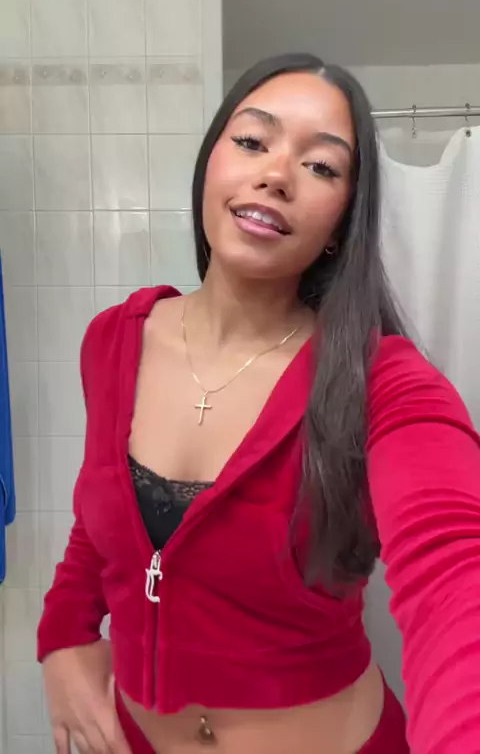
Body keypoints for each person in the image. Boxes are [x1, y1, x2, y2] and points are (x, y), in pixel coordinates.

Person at [37, 53, 480, 754]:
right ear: (210, 164)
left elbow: (457, 571)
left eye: (322, 166)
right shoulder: (113, 340)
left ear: (341, 222)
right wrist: (62, 636)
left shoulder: (380, 380)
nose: (276, 174)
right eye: (252, 140)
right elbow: (99, 526)